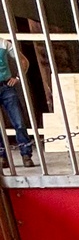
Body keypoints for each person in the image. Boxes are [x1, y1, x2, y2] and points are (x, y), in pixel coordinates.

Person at [0, 36, 35, 168]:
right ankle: (2, 157)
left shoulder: (4, 43)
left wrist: (18, 77)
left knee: (19, 121)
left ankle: (26, 154)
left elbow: (23, 61)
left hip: (6, 86)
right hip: (6, 86)